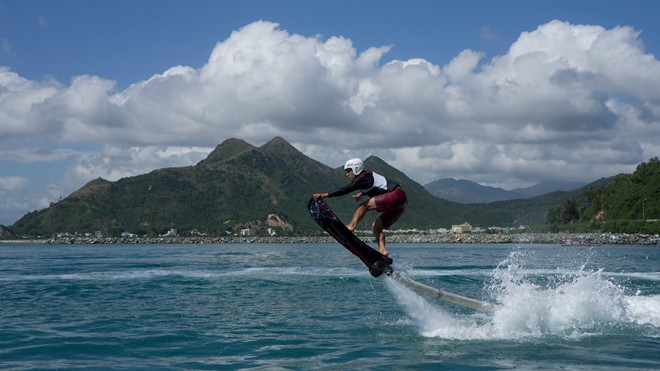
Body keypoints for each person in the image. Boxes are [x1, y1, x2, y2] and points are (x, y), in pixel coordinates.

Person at [312, 158, 408, 257]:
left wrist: (325, 195)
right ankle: (383, 250)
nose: (347, 174)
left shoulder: (363, 178)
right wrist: (362, 193)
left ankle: (351, 226)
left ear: (356, 168)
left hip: (395, 195)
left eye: (349, 171)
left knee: (363, 205)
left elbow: (345, 189)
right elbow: (378, 186)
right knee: (376, 227)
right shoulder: (367, 178)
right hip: (402, 201)